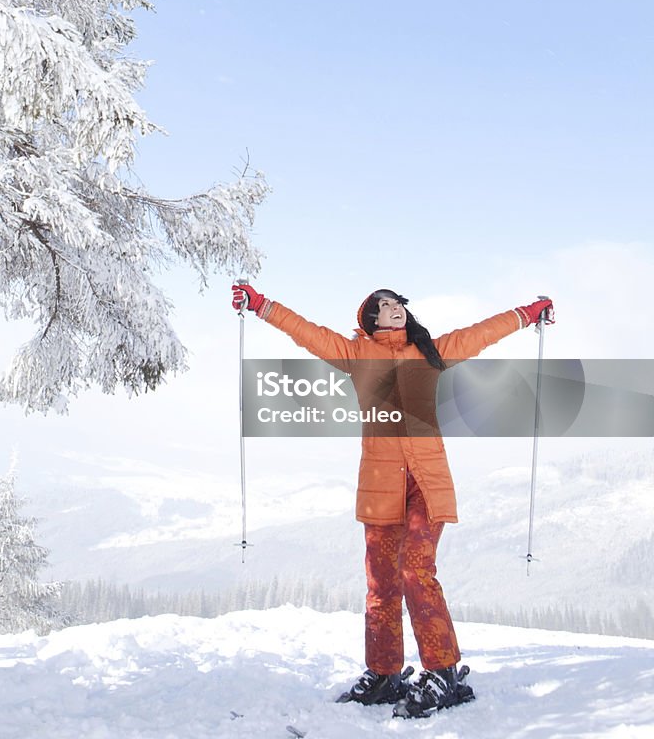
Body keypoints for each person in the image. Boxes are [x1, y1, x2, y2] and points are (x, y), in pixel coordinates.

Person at [231, 283, 555, 719]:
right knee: (381, 584)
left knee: (415, 570)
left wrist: (528, 312)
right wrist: (259, 305)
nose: (394, 309)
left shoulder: (432, 352)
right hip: (382, 486)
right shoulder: (357, 355)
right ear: (371, 320)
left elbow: (483, 332)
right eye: (383, 306)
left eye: (397, 303)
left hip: (425, 481)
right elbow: (305, 331)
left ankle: (443, 672)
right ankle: (384, 674)